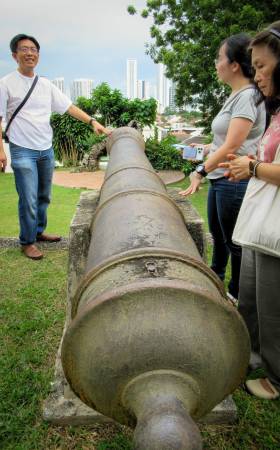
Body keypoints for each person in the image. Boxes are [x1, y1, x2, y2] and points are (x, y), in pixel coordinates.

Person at [0, 34, 110, 260]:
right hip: (22, 150)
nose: (30, 53)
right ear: (15, 55)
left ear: (38, 55)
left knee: (44, 196)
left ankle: (38, 232)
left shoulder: (45, 84)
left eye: (33, 49)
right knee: (28, 198)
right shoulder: (5, 84)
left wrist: (92, 121)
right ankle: (27, 241)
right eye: (24, 49)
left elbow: (68, 106)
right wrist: (1, 151)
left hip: (46, 149)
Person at [179, 33, 266, 301]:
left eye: (219, 58)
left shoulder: (248, 96)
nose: (216, 64)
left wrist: (200, 171)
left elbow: (232, 146)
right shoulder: (235, 95)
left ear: (234, 65)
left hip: (234, 180)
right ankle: (214, 282)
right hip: (221, 179)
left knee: (234, 243)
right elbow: (223, 142)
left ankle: (236, 295)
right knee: (219, 237)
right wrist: (206, 150)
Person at [219, 21, 280, 400]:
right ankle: (252, 357)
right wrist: (252, 163)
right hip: (262, 221)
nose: (256, 74)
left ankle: (275, 376)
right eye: (253, 66)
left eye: (261, 65)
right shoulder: (276, 112)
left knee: (274, 308)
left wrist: (254, 168)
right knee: (252, 299)